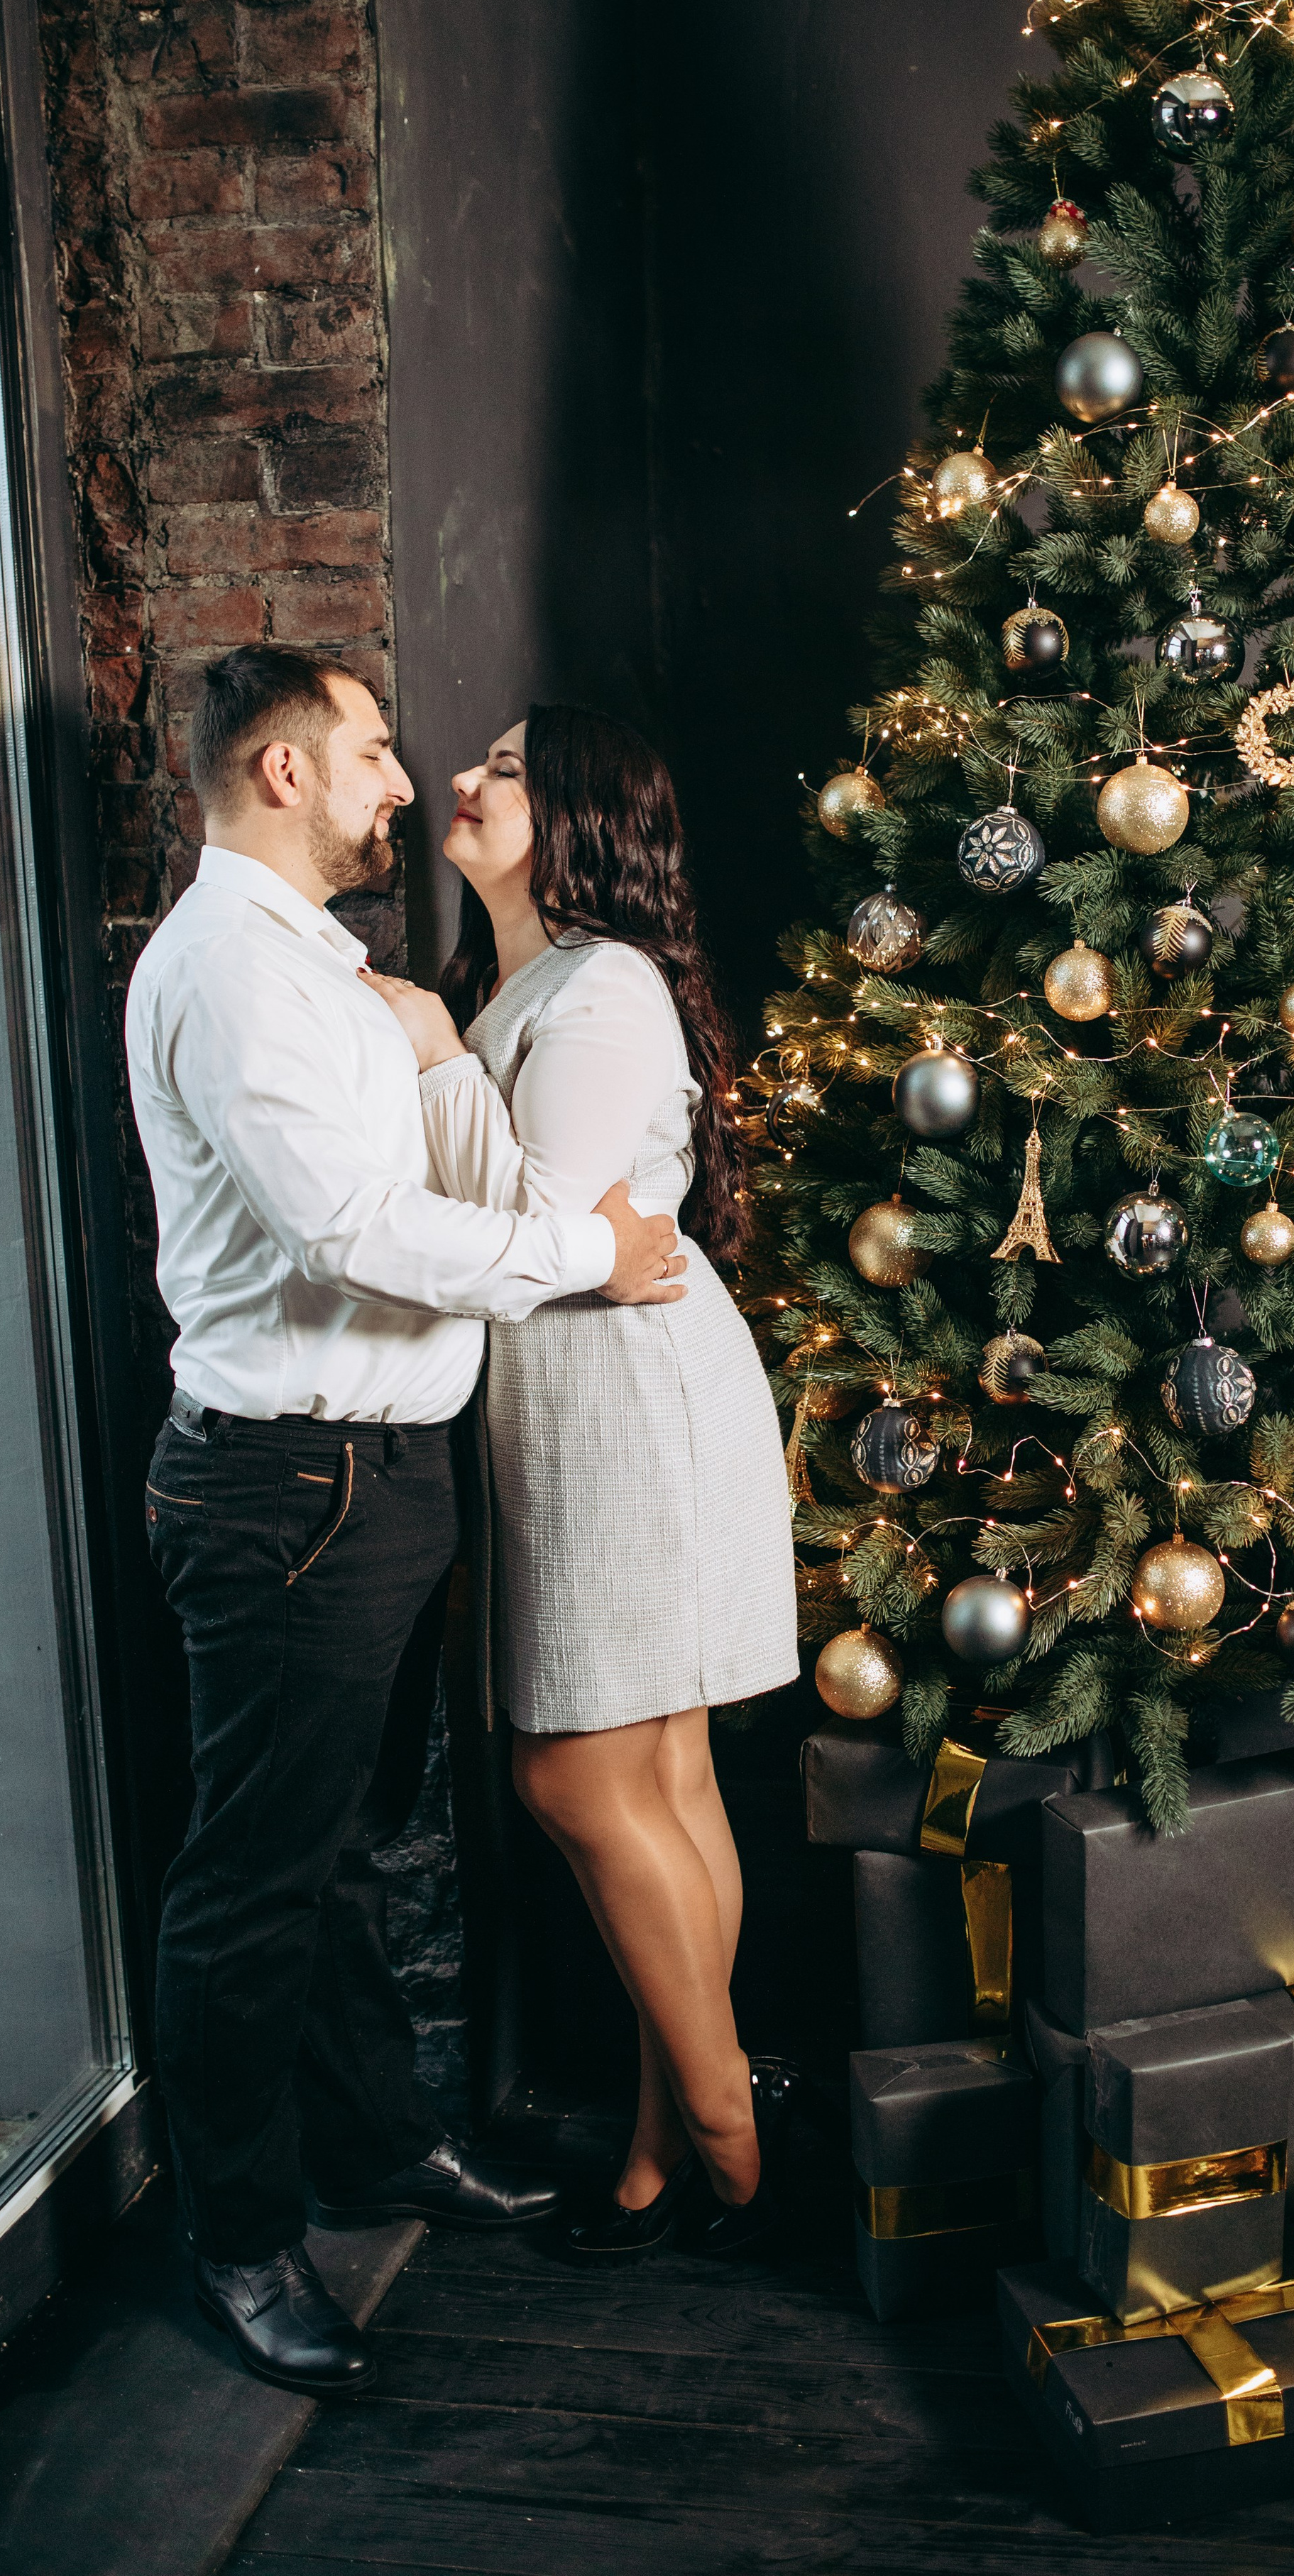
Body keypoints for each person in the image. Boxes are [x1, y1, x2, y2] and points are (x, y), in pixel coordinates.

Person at [126, 648, 686, 2396]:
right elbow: (351, 1233)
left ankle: (377, 2146)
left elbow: (424, 1186)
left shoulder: (328, 969)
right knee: (252, 1883)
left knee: (353, 1850)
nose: (401, 779)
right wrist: (589, 1255)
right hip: (289, 1484)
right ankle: (239, 2237)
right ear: (282, 772)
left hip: (374, 1484)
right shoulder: (227, 970)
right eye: (372, 750)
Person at [363, 704, 799, 2261]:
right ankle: (659, 2132)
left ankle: (729, 2122)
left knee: (576, 1781)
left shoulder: (598, 987)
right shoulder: (528, 983)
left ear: (580, 819)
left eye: (504, 768)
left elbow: (547, 1221)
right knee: (662, 1779)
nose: (464, 782)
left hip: (621, 1397)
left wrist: (428, 1059)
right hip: (578, 1393)